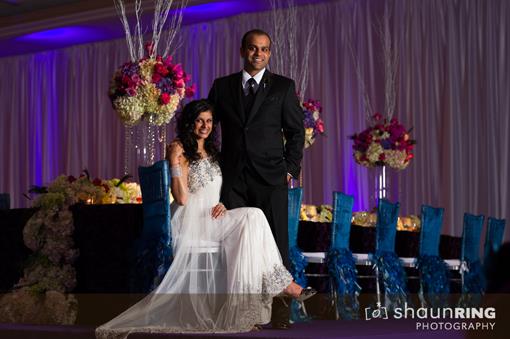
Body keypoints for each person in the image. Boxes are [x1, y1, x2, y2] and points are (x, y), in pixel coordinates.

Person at [96, 100, 311, 339]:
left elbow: (218, 189)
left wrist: (224, 203)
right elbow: (181, 198)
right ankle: (281, 285)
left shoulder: (213, 152)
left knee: (254, 219)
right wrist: (175, 162)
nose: (204, 126)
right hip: (194, 222)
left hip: (215, 217)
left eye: (209, 121)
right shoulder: (180, 149)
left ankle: (249, 308)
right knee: (253, 220)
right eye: (199, 120)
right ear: (190, 122)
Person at [207, 29, 306, 328]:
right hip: (233, 179)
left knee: (277, 242)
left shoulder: (284, 87)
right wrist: (210, 167)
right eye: (253, 48)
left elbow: (296, 132)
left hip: (271, 178)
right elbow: (209, 128)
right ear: (242, 51)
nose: (258, 54)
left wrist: (289, 169)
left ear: (269, 53)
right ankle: (242, 311)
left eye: (264, 49)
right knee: (238, 245)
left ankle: (279, 314)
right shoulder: (222, 87)